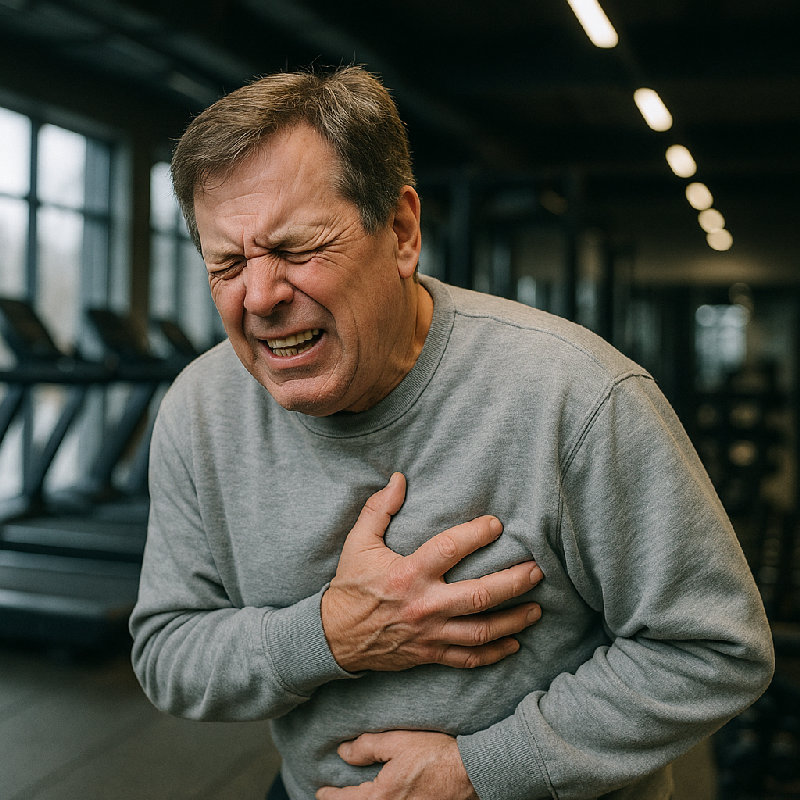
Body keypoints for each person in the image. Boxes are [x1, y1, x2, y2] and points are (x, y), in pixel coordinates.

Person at [129, 66, 774, 800]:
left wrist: (478, 770)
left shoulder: (577, 395)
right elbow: (166, 652)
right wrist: (333, 635)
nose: (263, 295)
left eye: (299, 248)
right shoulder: (199, 408)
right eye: (229, 263)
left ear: (401, 232)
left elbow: (715, 650)